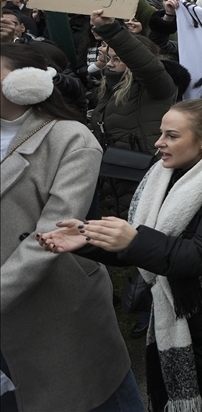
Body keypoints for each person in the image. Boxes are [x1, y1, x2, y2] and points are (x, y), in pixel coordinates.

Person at [40, 99, 202, 412]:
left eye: (172, 136)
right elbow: (142, 250)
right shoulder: (160, 178)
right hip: (176, 320)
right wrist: (86, 238)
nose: (159, 142)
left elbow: (199, 255)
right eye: (161, 133)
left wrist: (133, 240)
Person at [1, 44, 143, 412]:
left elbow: (52, 233)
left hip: (55, 302)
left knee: (94, 394)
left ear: (26, 82)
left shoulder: (70, 139)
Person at [88, 9, 179, 219]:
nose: (109, 64)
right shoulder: (111, 88)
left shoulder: (156, 87)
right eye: (108, 58)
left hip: (143, 174)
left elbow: (146, 67)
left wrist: (111, 31)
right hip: (114, 176)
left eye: (118, 59)